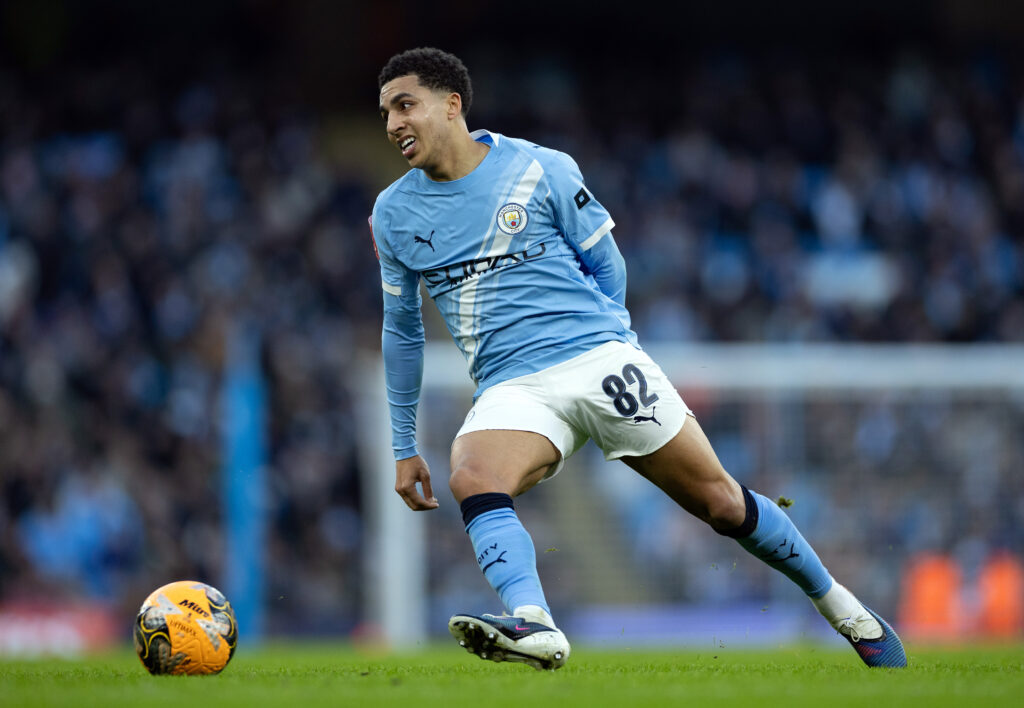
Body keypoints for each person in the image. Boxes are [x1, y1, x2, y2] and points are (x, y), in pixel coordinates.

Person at [370, 47, 907, 671]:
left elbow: (607, 264)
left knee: (722, 504)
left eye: (405, 104)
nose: (392, 124)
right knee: (472, 473)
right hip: (511, 385)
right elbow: (402, 332)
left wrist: (614, 344)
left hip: (598, 357)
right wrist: (405, 446)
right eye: (384, 112)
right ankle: (535, 623)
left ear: (452, 104)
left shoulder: (540, 169)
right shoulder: (393, 214)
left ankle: (843, 609)